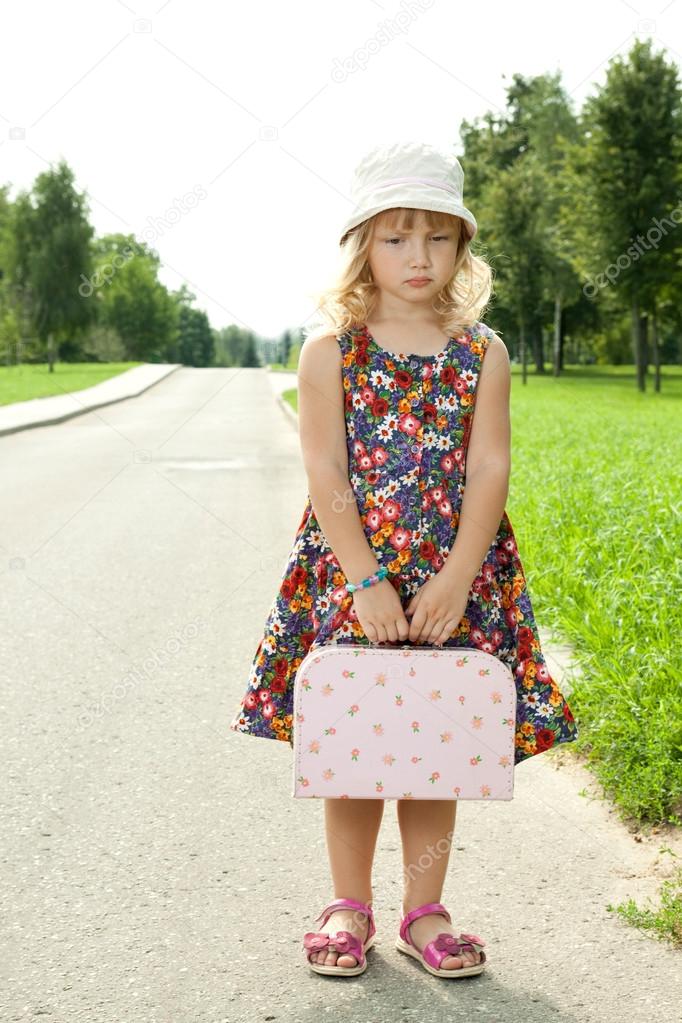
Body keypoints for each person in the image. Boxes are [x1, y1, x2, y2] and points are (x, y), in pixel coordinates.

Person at [229, 141, 579, 979]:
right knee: (355, 743)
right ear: (363, 246)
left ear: (462, 245)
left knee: (435, 739)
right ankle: (348, 905)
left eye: (436, 236)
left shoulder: (481, 351)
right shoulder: (331, 351)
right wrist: (365, 578)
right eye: (395, 237)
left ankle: (426, 912)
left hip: (453, 578)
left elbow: (490, 466)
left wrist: (459, 575)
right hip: (358, 579)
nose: (416, 257)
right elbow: (327, 474)